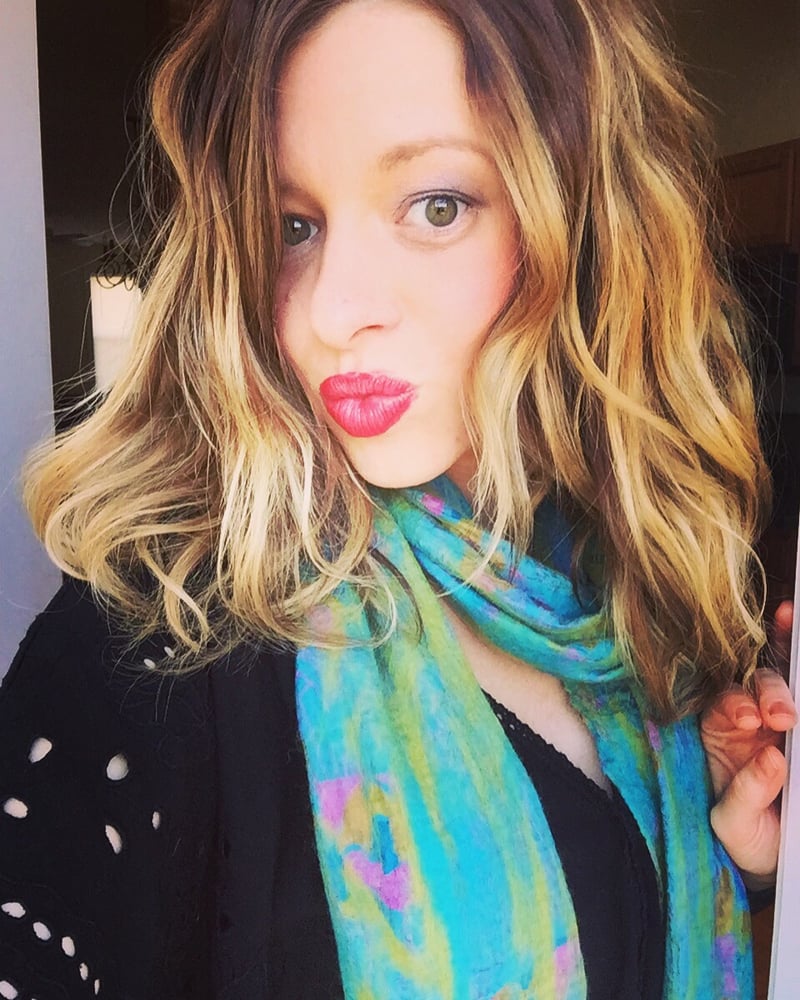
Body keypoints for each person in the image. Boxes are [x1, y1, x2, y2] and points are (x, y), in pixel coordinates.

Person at [0, 0, 795, 997]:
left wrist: (734, 857)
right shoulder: (160, 639)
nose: (331, 309)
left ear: (590, 227)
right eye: (293, 226)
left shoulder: (627, 604)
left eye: (435, 207)